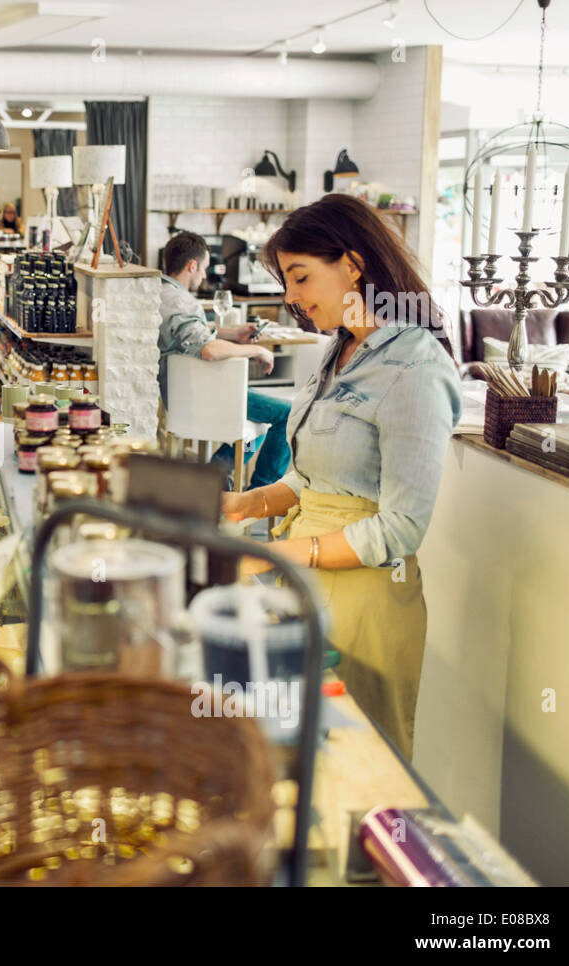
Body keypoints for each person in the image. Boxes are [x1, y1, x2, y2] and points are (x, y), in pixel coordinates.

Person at [220, 194, 462, 759]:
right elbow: (317, 479)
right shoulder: (337, 352)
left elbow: (400, 528)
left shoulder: (415, 368)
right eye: (287, 281)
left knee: (356, 769)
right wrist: (249, 504)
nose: (291, 298)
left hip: (366, 602)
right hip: (305, 581)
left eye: (301, 277)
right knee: (294, 760)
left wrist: (286, 554)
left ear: (353, 264)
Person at [157, 231, 291, 488]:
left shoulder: (161, 293)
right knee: (287, 414)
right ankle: (259, 490)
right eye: (204, 269)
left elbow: (189, 336)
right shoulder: (181, 301)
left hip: (184, 396)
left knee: (260, 426)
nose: (205, 276)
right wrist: (257, 351)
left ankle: (214, 474)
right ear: (192, 265)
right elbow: (208, 351)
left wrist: (232, 333)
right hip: (204, 396)